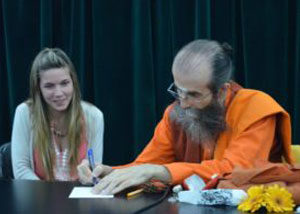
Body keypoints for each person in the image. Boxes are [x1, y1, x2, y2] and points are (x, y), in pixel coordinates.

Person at [78, 39, 294, 195]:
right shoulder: (176, 114)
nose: (183, 102)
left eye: (194, 94)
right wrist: (109, 172)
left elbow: (235, 172)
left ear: (222, 91)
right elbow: (146, 165)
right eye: (178, 90)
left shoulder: (257, 109)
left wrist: (160, 171)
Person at [11, 48, 104, 181]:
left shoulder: (94, 116)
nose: (59, 93)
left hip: (79, 197)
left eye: (64, 83)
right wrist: (47, 197)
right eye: (49, 86)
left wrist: (89, 173)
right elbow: (21, 169)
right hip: (39, 197)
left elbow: (96, 169)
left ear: (73, 83)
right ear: (38, 89)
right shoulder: (24, 113)